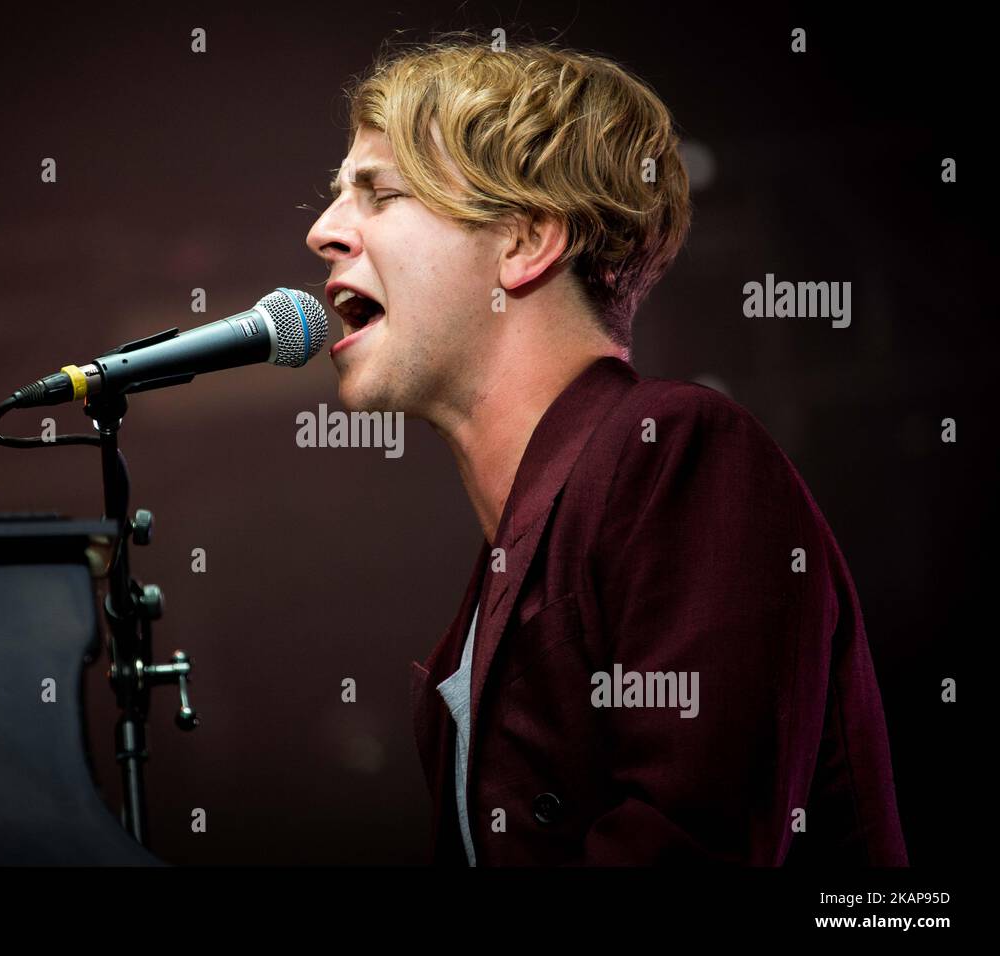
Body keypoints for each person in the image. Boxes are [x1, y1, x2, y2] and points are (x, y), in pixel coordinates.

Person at [305, 35, 907, 866]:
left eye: (379, 193)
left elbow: (692, 841)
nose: (325, 232)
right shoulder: (492, 590)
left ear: (524, 242)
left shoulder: (681, 451)